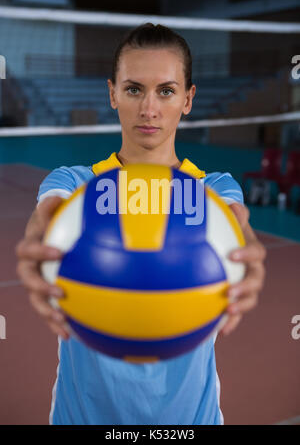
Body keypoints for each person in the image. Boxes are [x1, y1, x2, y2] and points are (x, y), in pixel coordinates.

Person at [16, 23, 266, 425]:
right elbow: (47, 215)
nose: (149, 108)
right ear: (112, 93)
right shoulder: (76, 185)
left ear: (188, 99)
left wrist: (247, 248)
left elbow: (238, 222)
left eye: (166, 91)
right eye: (134, 89)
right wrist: (38, 241)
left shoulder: (212, 191)